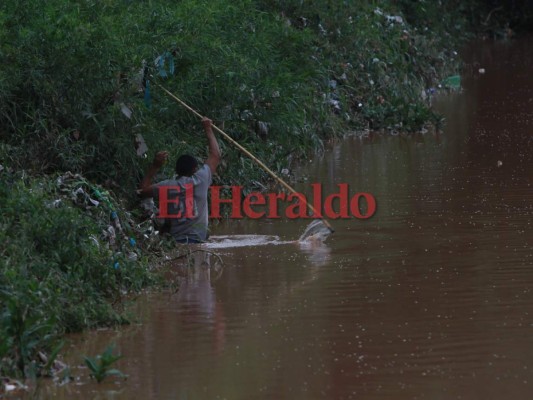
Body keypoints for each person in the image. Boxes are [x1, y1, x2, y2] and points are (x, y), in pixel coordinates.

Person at [138, 117, 221, 243]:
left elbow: (142, 191)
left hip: (176, 242)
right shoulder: (201, 180)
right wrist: (208, 128)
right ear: (194, 170)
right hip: (198, 240)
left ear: (176, 171)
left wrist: (155, 166)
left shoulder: (166, 186)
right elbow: (215, 154)